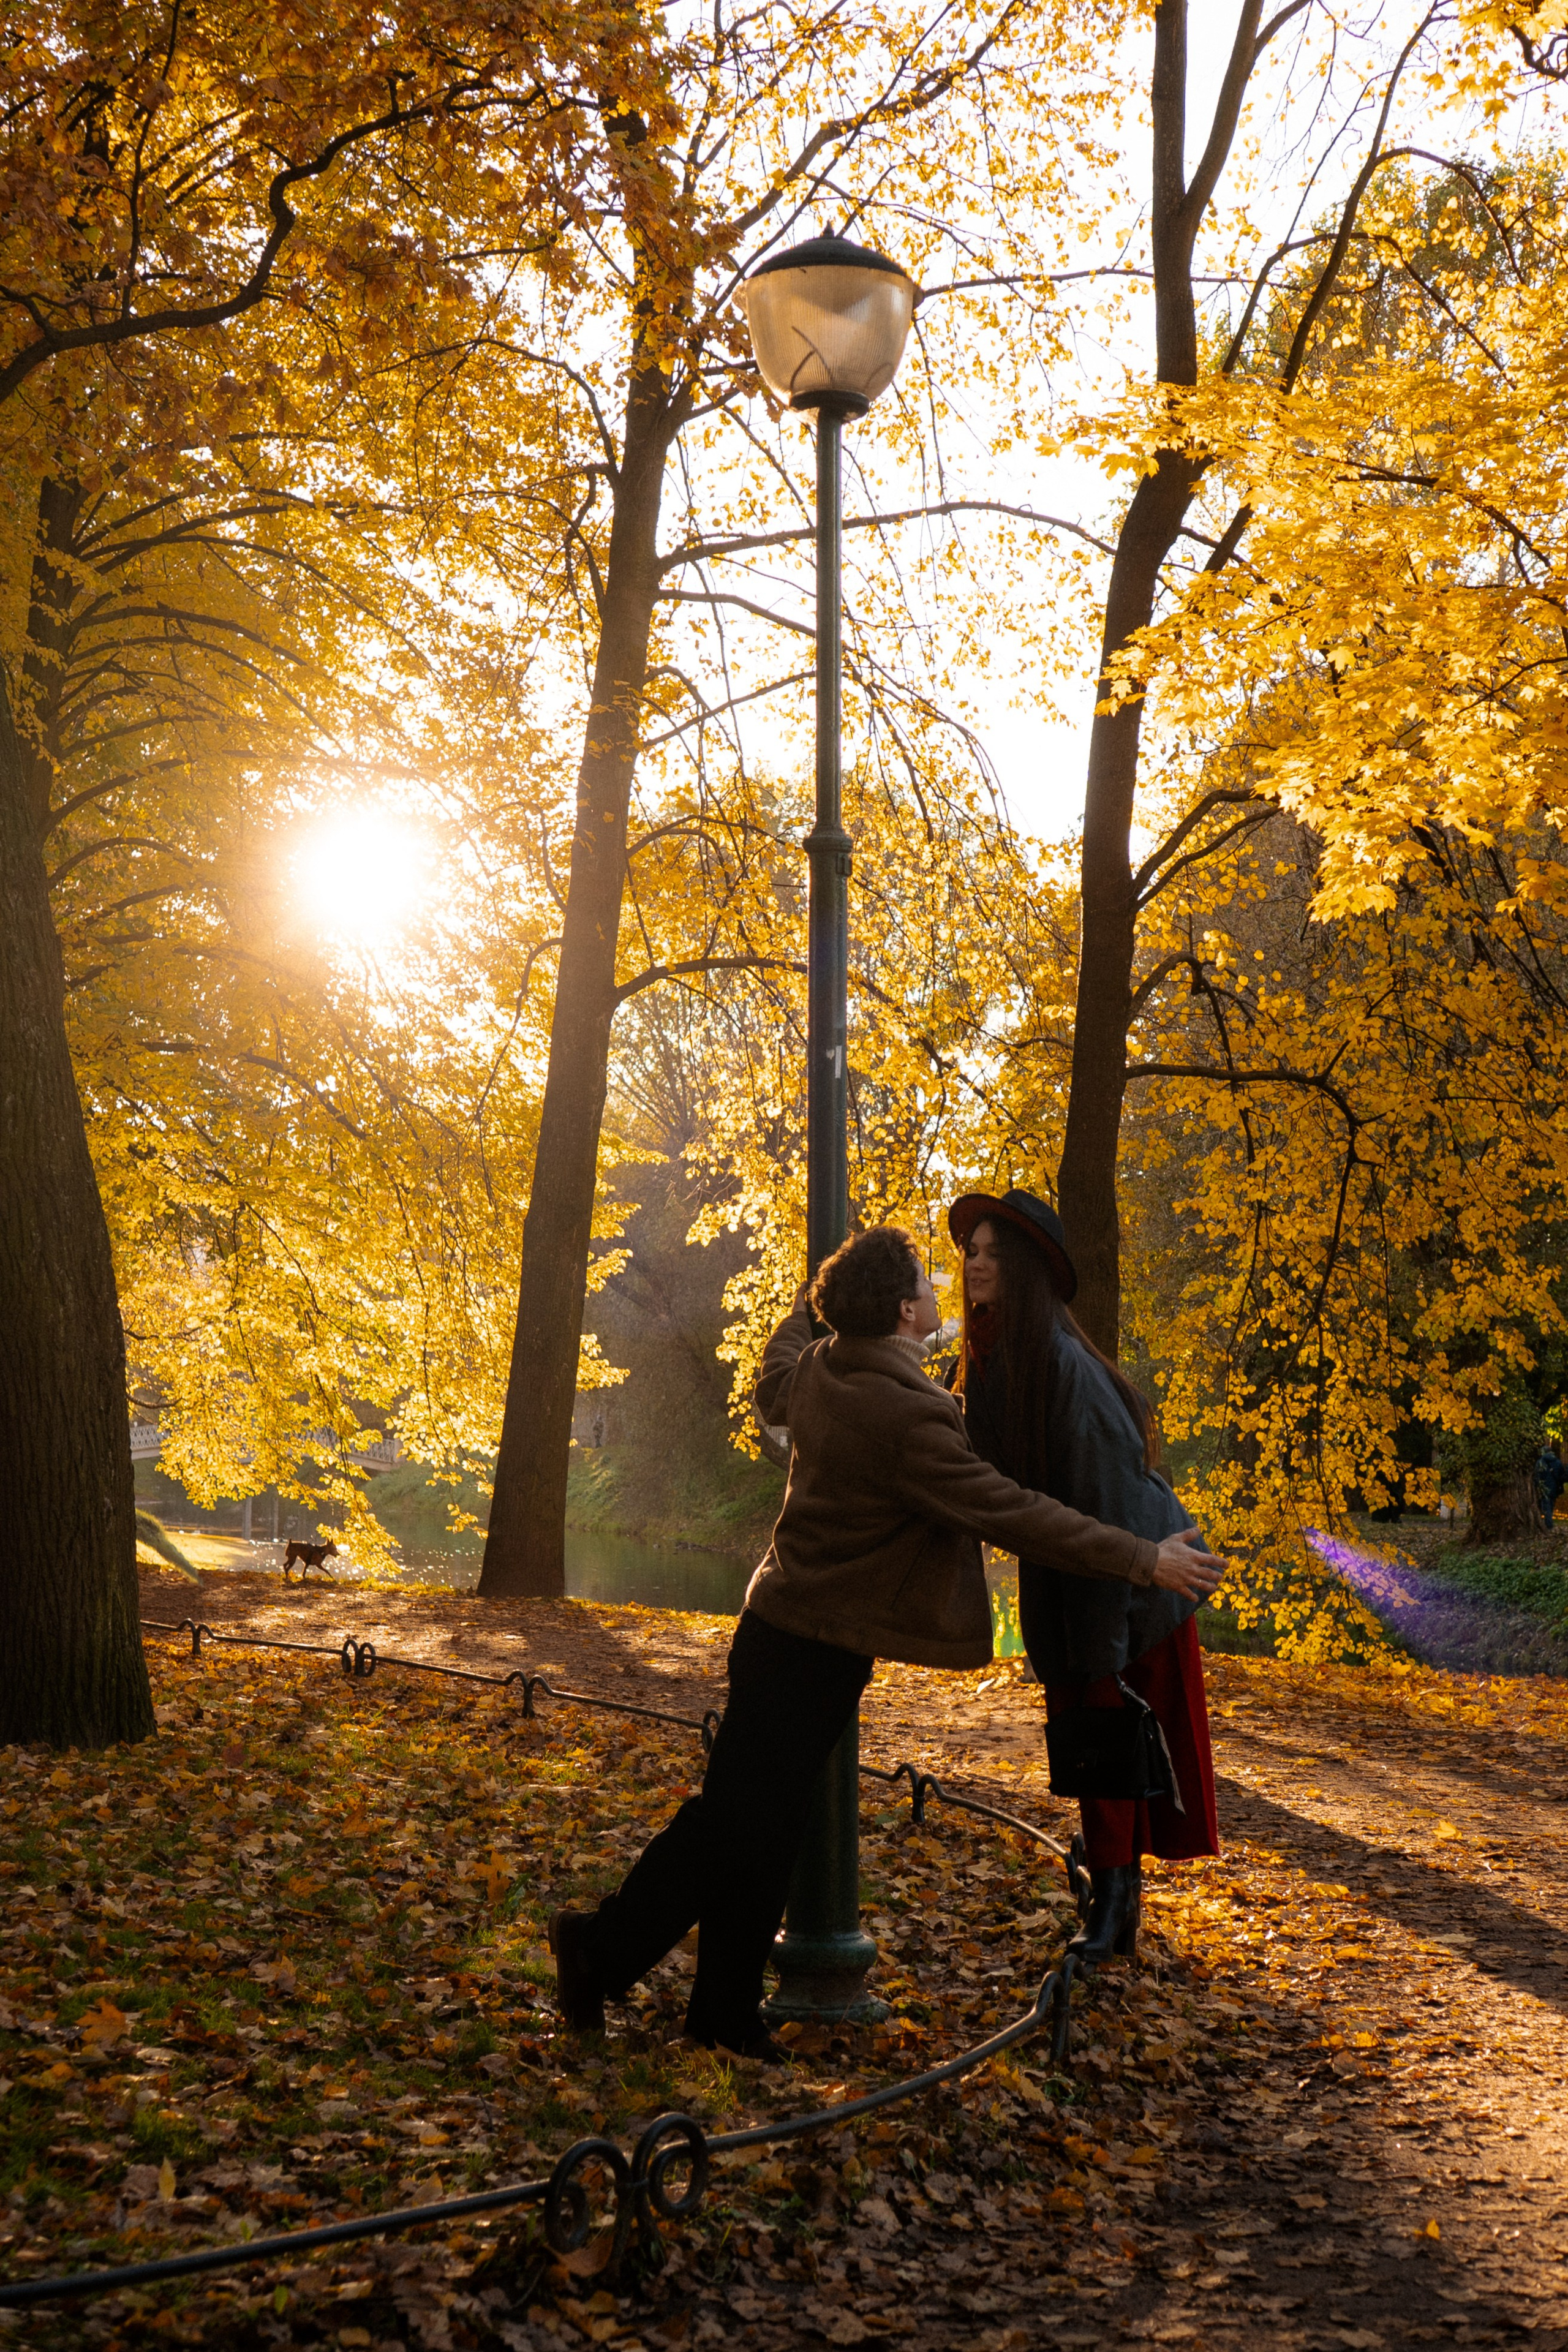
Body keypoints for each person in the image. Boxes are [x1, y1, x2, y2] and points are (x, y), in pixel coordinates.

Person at [548, 1224, 1226, 2058]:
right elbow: (1015, 1513)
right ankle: (597, 1949)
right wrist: (1142, 1558)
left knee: (762, 1828)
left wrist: (815, 1298)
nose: (946, 1286)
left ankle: (720, 2012)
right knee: (732, 1827)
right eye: (927, 1284)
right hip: (807, 1650)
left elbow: (774, 1369)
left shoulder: (823, 1366)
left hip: (784, 1633)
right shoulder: (907, 1416)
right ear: (906, 1312)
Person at [948, 1186, 1223, 1965]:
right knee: (1084, 1736)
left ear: (1025, 1269)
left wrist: (1100, 1642)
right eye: (970, 1251)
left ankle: (1114, 1909)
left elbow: (1104, 1500)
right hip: (1078, 1569)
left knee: (1105, 1736)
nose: (974, 1264)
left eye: (991, 1252)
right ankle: (1113, 1901)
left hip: (1135, 1581)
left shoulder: (1062, 1366)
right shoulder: (993, 1358)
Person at [1537, 1442, 1565, 1531]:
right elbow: (1562, 1474)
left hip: (1544, 1487)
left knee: (1546, 1506)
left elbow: (1537, 1475)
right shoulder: (1558, 1462)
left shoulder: (1541, 1462)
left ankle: (1549, 1525)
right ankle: (1549, 1523)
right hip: (1555, 1487)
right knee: (1551, 1505)